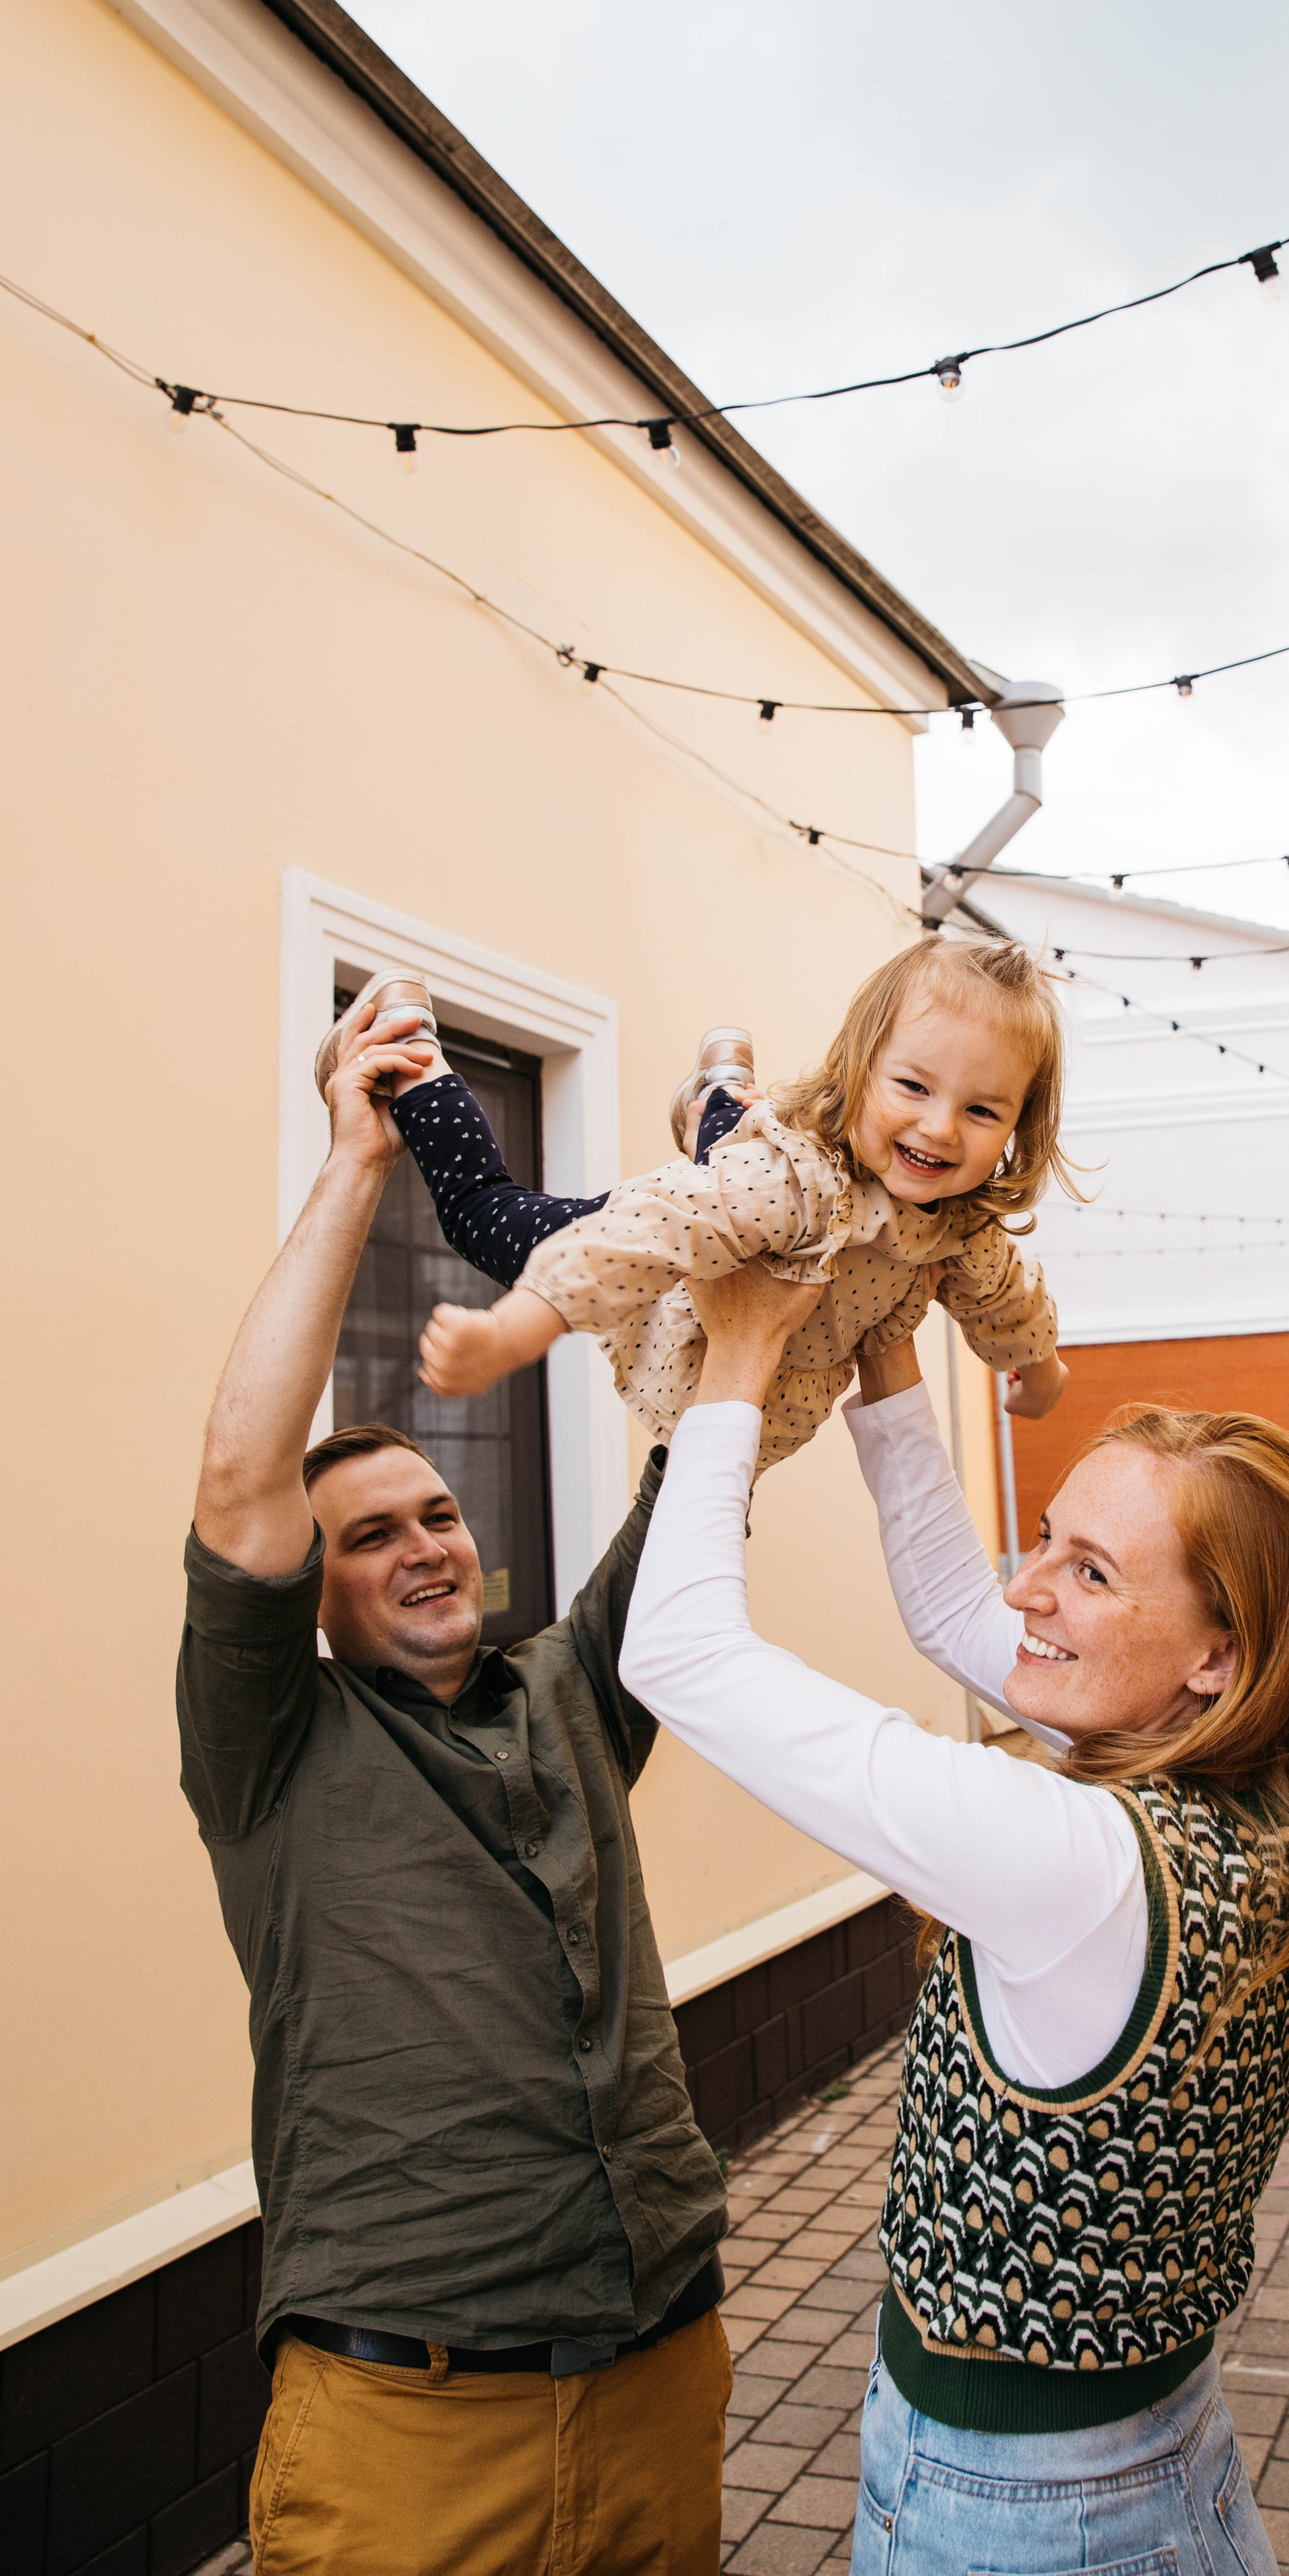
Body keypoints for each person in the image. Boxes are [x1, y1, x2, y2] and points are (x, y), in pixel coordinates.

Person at [616, 1261, 1289, 2575]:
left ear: (1216, 1653)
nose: (1029, 1588)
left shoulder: (1078, 1857)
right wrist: (886, 1360)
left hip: (1021, 2519)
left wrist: (735, 1357)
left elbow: (675, 1655)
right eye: (1043, 1536)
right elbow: (952, 1610)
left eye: (1089, 1571)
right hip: (1140, 2468)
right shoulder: (1262, 1787)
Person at [179, 1002, 730, 2576]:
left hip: (657, 2376)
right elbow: (237, 1482)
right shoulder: (274, 1748)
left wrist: (736, 1224)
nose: (424, 1541)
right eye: (368, 1535)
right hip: (403, 2432)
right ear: (317, 1595)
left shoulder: (571, 1693)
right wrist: (362, 1160)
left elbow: (702, 1468)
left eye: (435, 1511)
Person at [329, 936, 1074, 1471]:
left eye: (982, 1112)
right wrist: (512, 1336)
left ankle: (719, 1093)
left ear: (1017, 1125)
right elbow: (638, 1238)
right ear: (858, 1069)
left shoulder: (961, 1227)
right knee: (482, 1212)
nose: (940, 1128)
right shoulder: (797, 1186)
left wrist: (1040, 1374)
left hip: (727, 1248)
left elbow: (1007, 1301)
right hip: (659, 1281)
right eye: (913, 1087)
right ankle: (415, 1058)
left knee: (726, 1162)